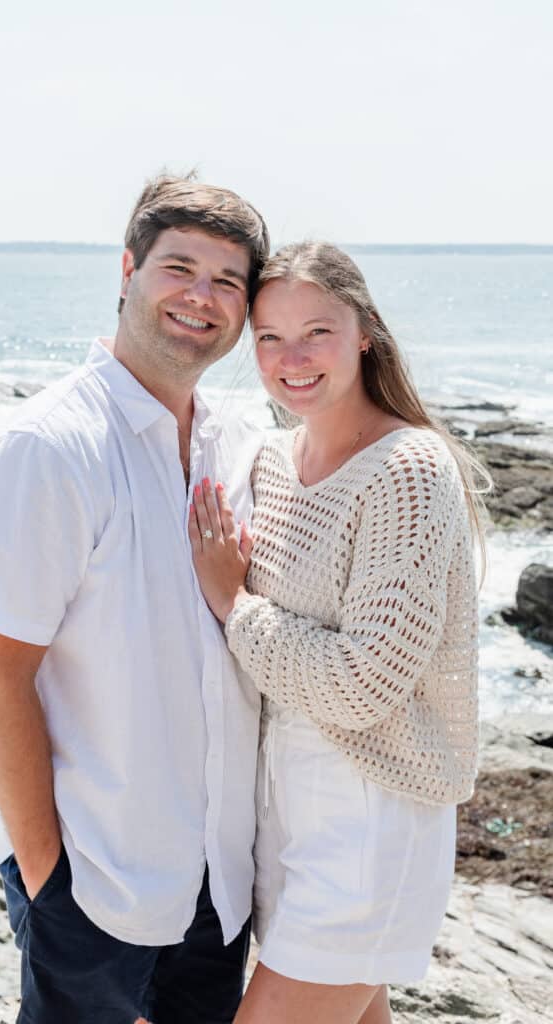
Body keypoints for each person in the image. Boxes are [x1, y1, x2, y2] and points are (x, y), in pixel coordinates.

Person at [0, 173, 270, 1024]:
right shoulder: (46, 450)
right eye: (179, 267)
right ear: (127, 269)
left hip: (216, 888)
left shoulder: (239, 446)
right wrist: (46, 879)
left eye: (227, 282)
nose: (200, 297)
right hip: (95, 882)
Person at [189, 241, 486, 1024]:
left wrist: (234, 604)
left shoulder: (408, 467)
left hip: (373, 815)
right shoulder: (271, 462)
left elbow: (364, 683)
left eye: (315, 331)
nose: (291, 358)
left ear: (362, 332)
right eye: (268, 338)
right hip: (279, 812)